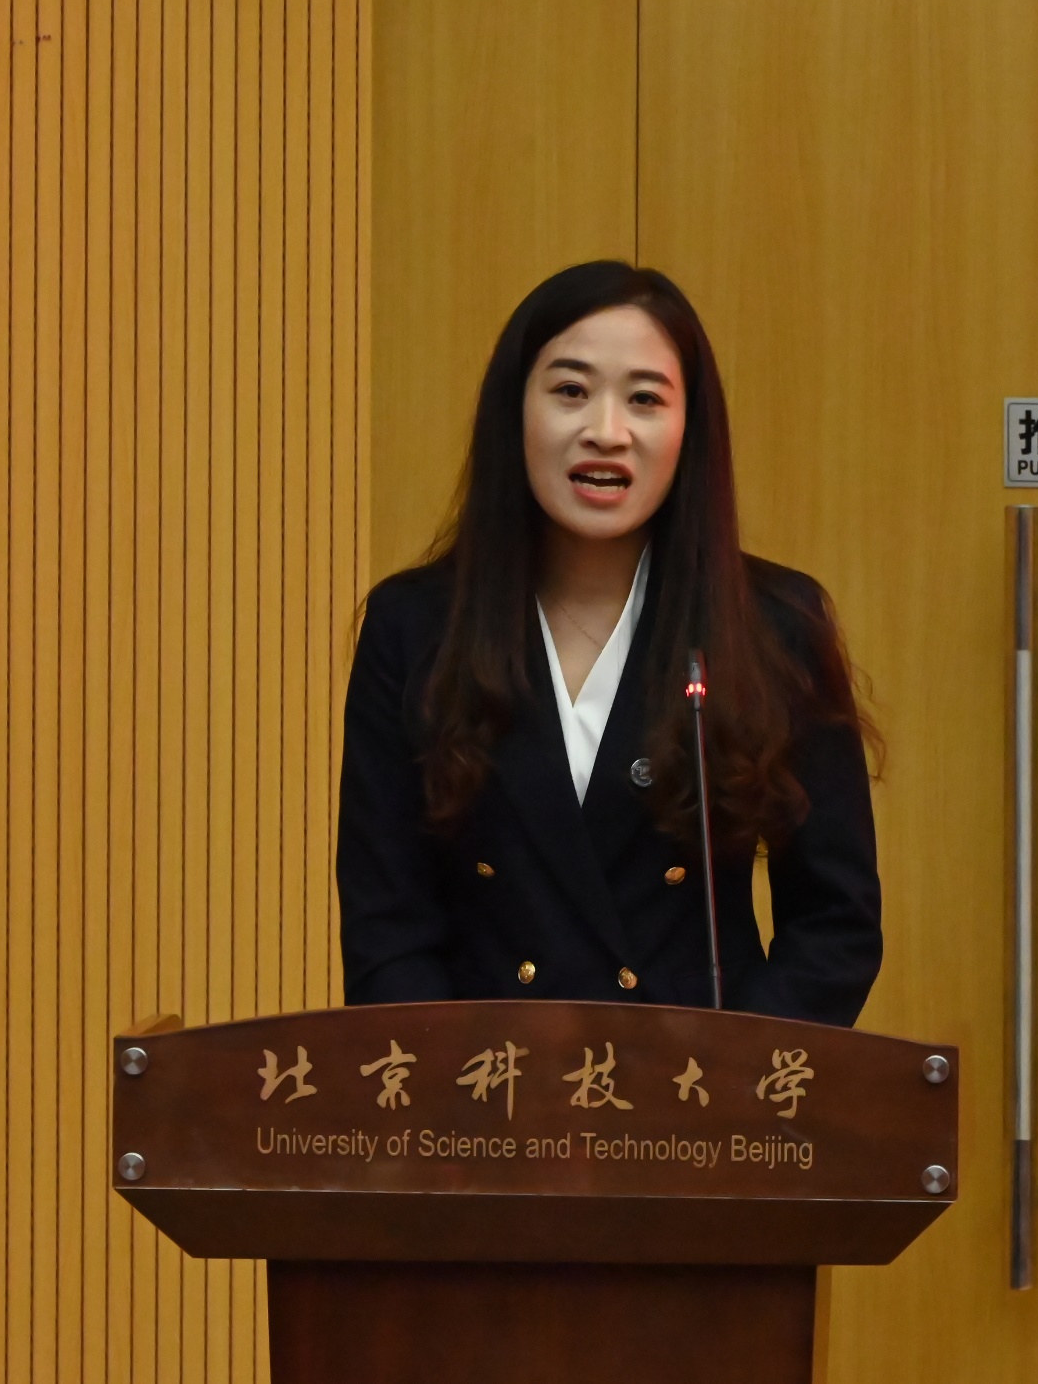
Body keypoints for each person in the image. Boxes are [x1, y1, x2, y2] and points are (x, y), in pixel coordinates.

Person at [336, 260, 883, 1025]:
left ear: (690, 429)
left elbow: (834, 926)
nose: (605, 431)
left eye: (645, 399)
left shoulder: (774, 624)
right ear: (513, 412)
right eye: (570, 391)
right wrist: (455, 1086)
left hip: (699, 1084)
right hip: (484, 1082)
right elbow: (386, 924)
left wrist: (729, 1076)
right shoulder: (414, 626)